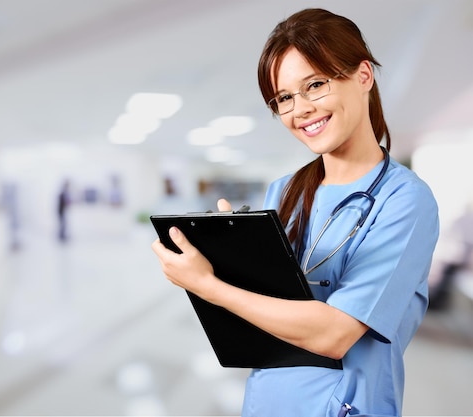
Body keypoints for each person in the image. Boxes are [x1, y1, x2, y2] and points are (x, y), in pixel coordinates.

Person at [151, 8, 439, 417]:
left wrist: (210, 285)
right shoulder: (284, 190)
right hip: (267, 400)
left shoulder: (405, 200)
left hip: (343, 406)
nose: (299, 109)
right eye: (284, 97)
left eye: (315, 85)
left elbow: (336, 334)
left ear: (363, 77)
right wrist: (228, 261)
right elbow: (256, 312)